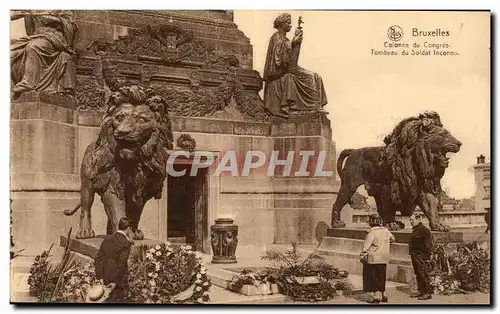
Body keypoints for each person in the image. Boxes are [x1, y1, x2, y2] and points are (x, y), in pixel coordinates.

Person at [262, 12, 328, 118]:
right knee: (307, 78)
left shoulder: (285, 39)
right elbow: (278, 63)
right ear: (280, 24)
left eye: (290, 23)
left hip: (288, 70)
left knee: (316, 76)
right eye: (288, 23)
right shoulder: (276, 37)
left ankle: (317, 106)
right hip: (279, 75)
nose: (290, 25)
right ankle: (310, 107)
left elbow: (291, 62)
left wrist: (295, 44)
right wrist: (293, 43)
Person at [10, 10, 79, 97]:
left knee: (33, 47)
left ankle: (29, 82)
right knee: (11, 52)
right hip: (35, 36)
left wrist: (52, 19)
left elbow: (71, 24)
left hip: (53, 37)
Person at [94, 217, 134, 303]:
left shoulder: (107, 239)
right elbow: (122, 264)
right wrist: (115, 282)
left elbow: (98, 259)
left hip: (105, 277)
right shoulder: (125, 243)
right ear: (129, 228)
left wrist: (100, 277)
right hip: (118, 280)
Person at [360, 214, 395, 303]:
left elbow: (366, 246)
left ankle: (376, 297)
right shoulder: (386, 230)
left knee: (373, 278)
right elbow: (393, 239)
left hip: (374, 258)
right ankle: (384, 295)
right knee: (381, 276)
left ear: (371, 223)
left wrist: (362, 256)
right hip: (384, 257)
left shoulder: (371, 232)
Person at [409, 213, 433, 300]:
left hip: (420, 255)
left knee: (423, 273)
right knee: (418, 273)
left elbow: (428, 245)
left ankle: (427, 293)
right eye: (410, 221)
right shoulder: (416, 229)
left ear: (419, 219)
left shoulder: (424, 230)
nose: (411, 222)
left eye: (412, 220)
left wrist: (425, 257)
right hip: (414, 254)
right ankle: (420, 291)